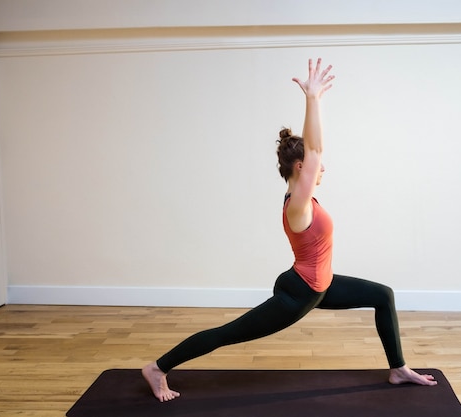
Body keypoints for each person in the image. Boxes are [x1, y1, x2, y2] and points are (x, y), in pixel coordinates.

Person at [142, 58, 437, 402]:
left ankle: (398, 369)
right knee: (229, 334)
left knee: (382, 295)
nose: (323, 167)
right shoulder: (297, 204)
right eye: (314, 165)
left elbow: (313, 150)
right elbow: (315, 149)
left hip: (320, 286)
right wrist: (313, 99)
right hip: (299, 294)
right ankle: (158, 368)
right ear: (301, 167)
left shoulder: (306, 200)